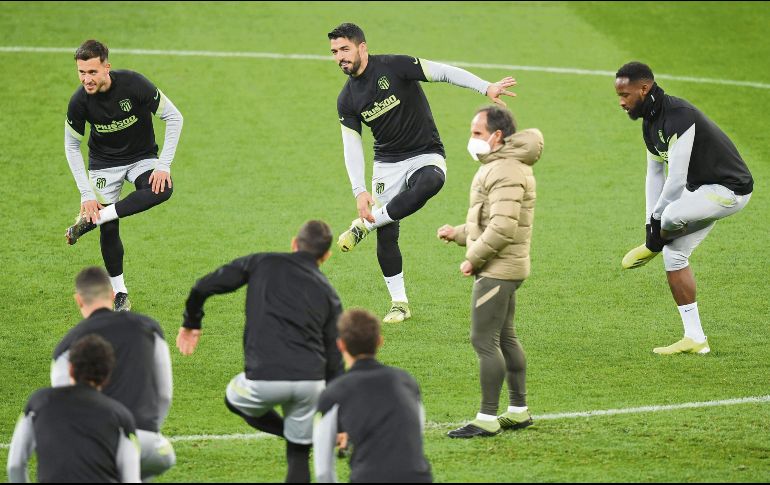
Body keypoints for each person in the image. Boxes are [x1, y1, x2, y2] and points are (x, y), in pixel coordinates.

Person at [328, 22, 517, 323]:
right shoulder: (347, 99)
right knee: (388, 235)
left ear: (362, 47)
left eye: (345, 49)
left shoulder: (395, 66)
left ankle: (366, 225)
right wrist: (359, 190)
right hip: (387, 163)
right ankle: (399, 302)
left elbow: (443, 72)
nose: (340, 57)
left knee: (431, 181)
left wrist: (486, 87)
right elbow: (351, 145)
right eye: (335, 52)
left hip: (425, 151)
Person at [176, 220, 344, 483]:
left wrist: (191, 322)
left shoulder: (261, 263)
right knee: (297, 455)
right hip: (311, 381)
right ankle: (298, 437)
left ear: (293, 244)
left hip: (264, 378)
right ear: (326, 256)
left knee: (234, 397)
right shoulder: (330, 294)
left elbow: (203, 286)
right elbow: (335, 359)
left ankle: (288, 432)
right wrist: (340, 421)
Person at [615, 62, 753, 355]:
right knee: (675, 255)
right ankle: (695, 339)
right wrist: (648, 222)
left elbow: (676, 180)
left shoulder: (680, 116)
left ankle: (653, 246)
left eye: (625, 95)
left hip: (729, 191)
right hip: (702, 191)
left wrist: (657, 221)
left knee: (671, 215)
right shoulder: (650, 124)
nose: (621, 102)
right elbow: (654, 174)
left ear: (644, 88)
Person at [437, 106, 543, 438]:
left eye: (477, 133)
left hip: (499, 268)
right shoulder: (503, 166)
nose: (471, 140)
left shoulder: (506, 171)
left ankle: (486, 417)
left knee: (483, 339)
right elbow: (486, 221)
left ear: (497, 136)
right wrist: (457, 234)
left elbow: (502, 228)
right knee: (505, 336)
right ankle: (518, 410)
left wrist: (473, 258)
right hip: (505, 265)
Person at [63, 39, 184, 311]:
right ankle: (120, 293)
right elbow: (72, 145)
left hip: (142, 158)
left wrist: (163, 164)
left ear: (107, 67)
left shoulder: (134, 84)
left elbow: (175, 117)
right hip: (104, 165)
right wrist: (86, 194)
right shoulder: (79, 101)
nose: (86, 79)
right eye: (81, 72)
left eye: (92, 72)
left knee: (162, 189)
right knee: (110, 228)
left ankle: (93, 219)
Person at [50, 266, 176, 481]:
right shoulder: (150, 328)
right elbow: (164, 394)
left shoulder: (67, 345)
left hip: (99, 446)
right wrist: (148, 431)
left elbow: (65, 406)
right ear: (112, 295)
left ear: (79, 300)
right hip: (149, 444)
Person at [313, 308, 432, 483]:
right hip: (418, 477)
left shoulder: (334, 392)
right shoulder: (406, 381)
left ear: (341, 345)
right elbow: (415, 433)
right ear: (379, 341)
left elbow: (323, 471)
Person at [7, 334, 140, 483]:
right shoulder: (120, 416)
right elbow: (131, 480)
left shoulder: (39, 403)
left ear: (70, 369)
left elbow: (15, 465)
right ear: (108, 375)